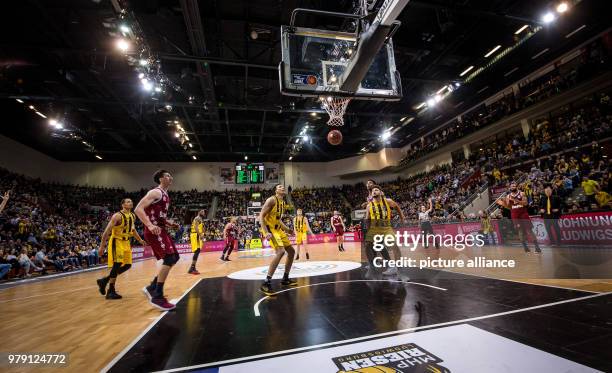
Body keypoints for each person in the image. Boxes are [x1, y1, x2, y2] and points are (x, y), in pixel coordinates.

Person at [135, 170, 180, 311]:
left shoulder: (165, 195)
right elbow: (138, 209)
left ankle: (152, 287)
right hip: (154, 230)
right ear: (161, 179)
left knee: (175, 257)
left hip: (161, 228)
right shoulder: (156, 192)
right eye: (167, 175)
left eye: (170, 175)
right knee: (169, 258)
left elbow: (158, 215)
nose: (170, 177)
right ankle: (157, 296)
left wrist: (168, 223)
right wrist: (149, 225)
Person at [96, 198, 146, 300]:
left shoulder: (132, 216)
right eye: (128, 202)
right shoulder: (117, 216)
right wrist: (102, 247)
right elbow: (107, 231)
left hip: (126, 242)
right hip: (117, 241)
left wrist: (140, 240)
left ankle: (104, 280)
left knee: (127, 265)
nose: (130, 203)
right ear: (122, 205)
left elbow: (133, 230)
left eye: (131, 201)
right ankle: (111, 290)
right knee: (117, 264)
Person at [258, 184, 297, 295]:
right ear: (276, 190)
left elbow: (278, 220)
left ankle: (285, 278)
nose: (282, 188)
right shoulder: (271, 200)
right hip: (271, 230)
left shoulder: (283, 203)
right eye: (280, 187)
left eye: (283, 187)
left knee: (291, 251)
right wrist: (266, 232)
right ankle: (266, 283)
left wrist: (288, 230)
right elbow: (261, 216)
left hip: (279, 230)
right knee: (280, 252)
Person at [365, 185, 406, 276]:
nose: (374, 192)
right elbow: (367, 219)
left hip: (386, 227)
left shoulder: (388, 201)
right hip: (374, 228)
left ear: (380, 192)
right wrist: (368, 230)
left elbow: (397, 207)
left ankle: (399, 268)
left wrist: (402, 217)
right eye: (372, 191)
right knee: (368, 245)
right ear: (371, 194)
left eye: (376, 190)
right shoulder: (369, 206)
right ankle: (373, 265)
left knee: (393, 245)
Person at [498, 182, 541, 253]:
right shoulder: (508, 196)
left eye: (514, 186)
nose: (513, 187)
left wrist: (516, 200)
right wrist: (503, 203)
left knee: (529, 230)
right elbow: (509, 207)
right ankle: (525, 247)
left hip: (523, 213)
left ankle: (537, 247)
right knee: (520, 231)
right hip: (515, 215)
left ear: (517, 187)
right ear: (510, 188)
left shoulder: (522, 193)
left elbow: (526, 203)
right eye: (511, 186)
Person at [189, 210, 206, 274]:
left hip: (197, 235)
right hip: (195, 235)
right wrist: (200, 234)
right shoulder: (197, 218)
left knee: (198, 251)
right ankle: (192, 268)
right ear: (199, 212)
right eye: (202, 211)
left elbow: (201, 228)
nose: (203, 213)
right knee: (197, 251)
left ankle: (192, 268)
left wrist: (203, 233)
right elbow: (196, 227)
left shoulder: (200, 219)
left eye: (204, 212)